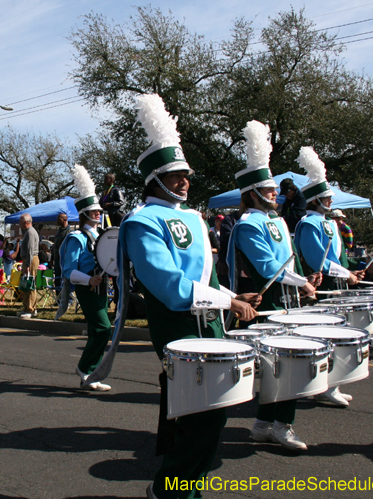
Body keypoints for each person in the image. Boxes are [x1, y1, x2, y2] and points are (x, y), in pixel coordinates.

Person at [125, 94, 258, 499]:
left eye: (186, 174)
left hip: (209, 325)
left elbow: (203, 278)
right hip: (178, 327)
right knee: (202, 420)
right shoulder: (141, 222)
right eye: (176, 175)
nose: (185, 181)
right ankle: (168, 490)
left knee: (204, 417)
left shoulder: (191, 216)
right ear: (155, 180)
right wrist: (229, 303)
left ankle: (185, 489)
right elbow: (172, 289)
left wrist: (233, 294)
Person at [227, 120, 320, 450]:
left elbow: (288, 261)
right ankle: (282, 426)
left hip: (287, 298)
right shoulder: (250, 224)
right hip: (268, 302)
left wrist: (304, 279)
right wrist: (302, 284)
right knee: (286, 368)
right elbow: (268, 268)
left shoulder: (276, 219)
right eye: (268, 191)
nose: (275, 194)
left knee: (278, 368)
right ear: (253, 194)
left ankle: (264, 424)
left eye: (275, 190)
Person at [294, 146, 363, 407]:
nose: (331, 203)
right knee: (326, 336)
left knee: (338, 334)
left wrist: (352, 269)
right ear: (316, 200)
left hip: (339, 282)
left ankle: (332, 383)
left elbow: (339, 257)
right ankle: (322, 385)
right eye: (328, 199)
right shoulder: (309, 223)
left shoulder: (329, 223)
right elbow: (317, 262)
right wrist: (345, 273)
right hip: (324, 285)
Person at [60, 165, 112, 391]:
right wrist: (88, 280)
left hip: (102, 286)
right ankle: (85, 367)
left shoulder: (103, 235)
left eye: (99, 211)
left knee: (95, 330)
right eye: (94, 212)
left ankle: (90, 375)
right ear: (84, 215)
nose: (98, 214)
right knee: (103, 328)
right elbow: (68, 270)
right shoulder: (76, 238)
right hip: (87, 287)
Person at [17, 214, 40, 319]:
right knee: (25, 284)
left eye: (20, 221)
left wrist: (27, 264)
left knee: (30, 284)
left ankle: (31, 309)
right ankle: (26, 307)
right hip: (27, 260)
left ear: (26, 222)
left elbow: (31, 250)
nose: (19, 223)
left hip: (30, 260)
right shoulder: (27, 232)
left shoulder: (30, 232)